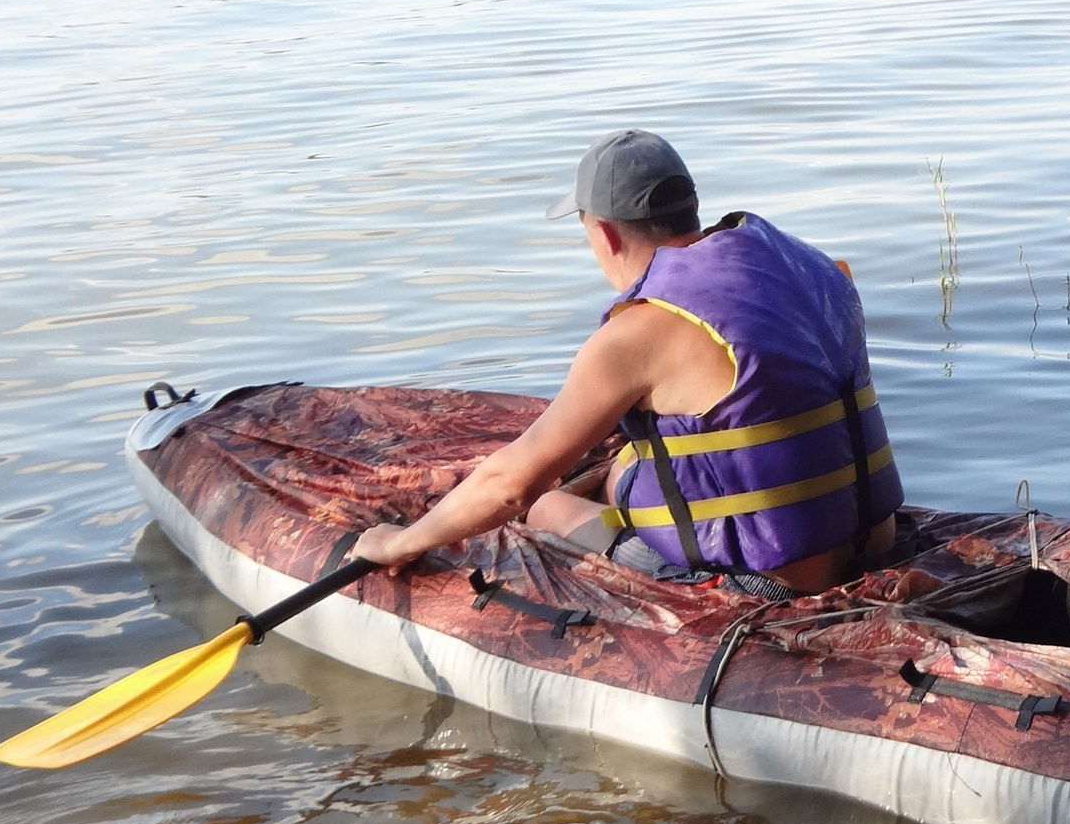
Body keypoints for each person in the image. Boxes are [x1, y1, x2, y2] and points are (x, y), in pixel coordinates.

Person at [352, 130, 901, 595]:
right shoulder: (815, 268)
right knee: (621, 472)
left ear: (606, 233)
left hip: (775, 579)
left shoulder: (636, 333)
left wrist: (397, 542)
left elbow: (510, 487)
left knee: (545, 508)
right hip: (877, 540)